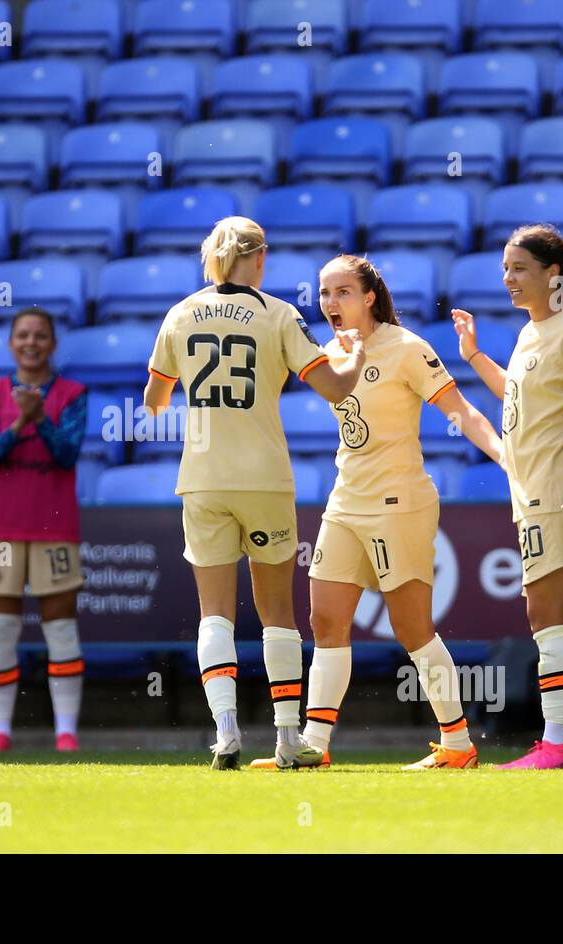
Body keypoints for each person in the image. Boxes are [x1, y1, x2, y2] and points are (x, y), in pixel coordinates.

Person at [143, 216, 367, 770]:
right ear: (260, 257)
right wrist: (357, 351)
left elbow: (153, 399)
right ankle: (289, 740)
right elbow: (336, 388)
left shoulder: (180, 313)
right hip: (265, 477)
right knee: (277, 613)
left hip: (203, 477)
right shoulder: (279, 314)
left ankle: (225, 735)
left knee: (214, 614)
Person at [269, 255, 506, 772]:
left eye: (343, 292)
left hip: (399, 501)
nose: (331, 303)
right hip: (346, 499)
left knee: (412, 626)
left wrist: (506, 456)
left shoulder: (407, 348)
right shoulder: (331, 353)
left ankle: (458, 743)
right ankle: (314, 743)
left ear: (370, 296)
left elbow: (460, 410)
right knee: (325, 620)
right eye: (324, 293)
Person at [453, 224, 563, 769]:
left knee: (544, 614)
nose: (508, 278)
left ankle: (556, 744)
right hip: (533, 491)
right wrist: (475, 356)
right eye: (505, 269)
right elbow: (520, 397)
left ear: (552, 274)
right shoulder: (534, 332)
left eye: (519, 268)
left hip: (558, 491)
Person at [0, 307, 88, 753]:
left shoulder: (74, 393)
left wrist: (40, 419)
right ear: (11, 343)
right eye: (22, 335)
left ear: (52, 343)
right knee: (1, 627)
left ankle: (66, 733)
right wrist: (21, 421)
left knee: (60, 629)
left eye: (40, 335)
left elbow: (67, 455)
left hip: (55, 527)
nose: (31, 342)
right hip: (0, 528)